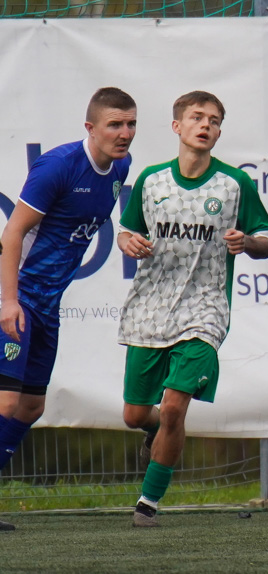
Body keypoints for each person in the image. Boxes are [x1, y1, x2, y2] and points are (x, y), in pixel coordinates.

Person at [117, 91, 268, 527]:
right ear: (177, 127)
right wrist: (127, 240)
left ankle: (147, 504)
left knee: (173, 409)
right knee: (135, 416)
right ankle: (158, 433)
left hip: (204, 310)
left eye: (215, 120)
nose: (206, 125)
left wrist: (250, 243)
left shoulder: (234, 184)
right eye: (197, 117)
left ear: (219, 132)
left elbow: (266, 240)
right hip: (150, 310)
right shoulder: (151, 180)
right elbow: (127, 232)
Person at [0, 88, 137, 532]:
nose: (125, 133)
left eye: (131, 124)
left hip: (49, 306)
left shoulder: (121, 166)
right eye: (115, 124)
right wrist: (8, 302)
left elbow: (106, 223)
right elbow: (12, 235)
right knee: (5, 402)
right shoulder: (58, 167)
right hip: (17, 298)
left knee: (31, 407)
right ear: (90, 128)